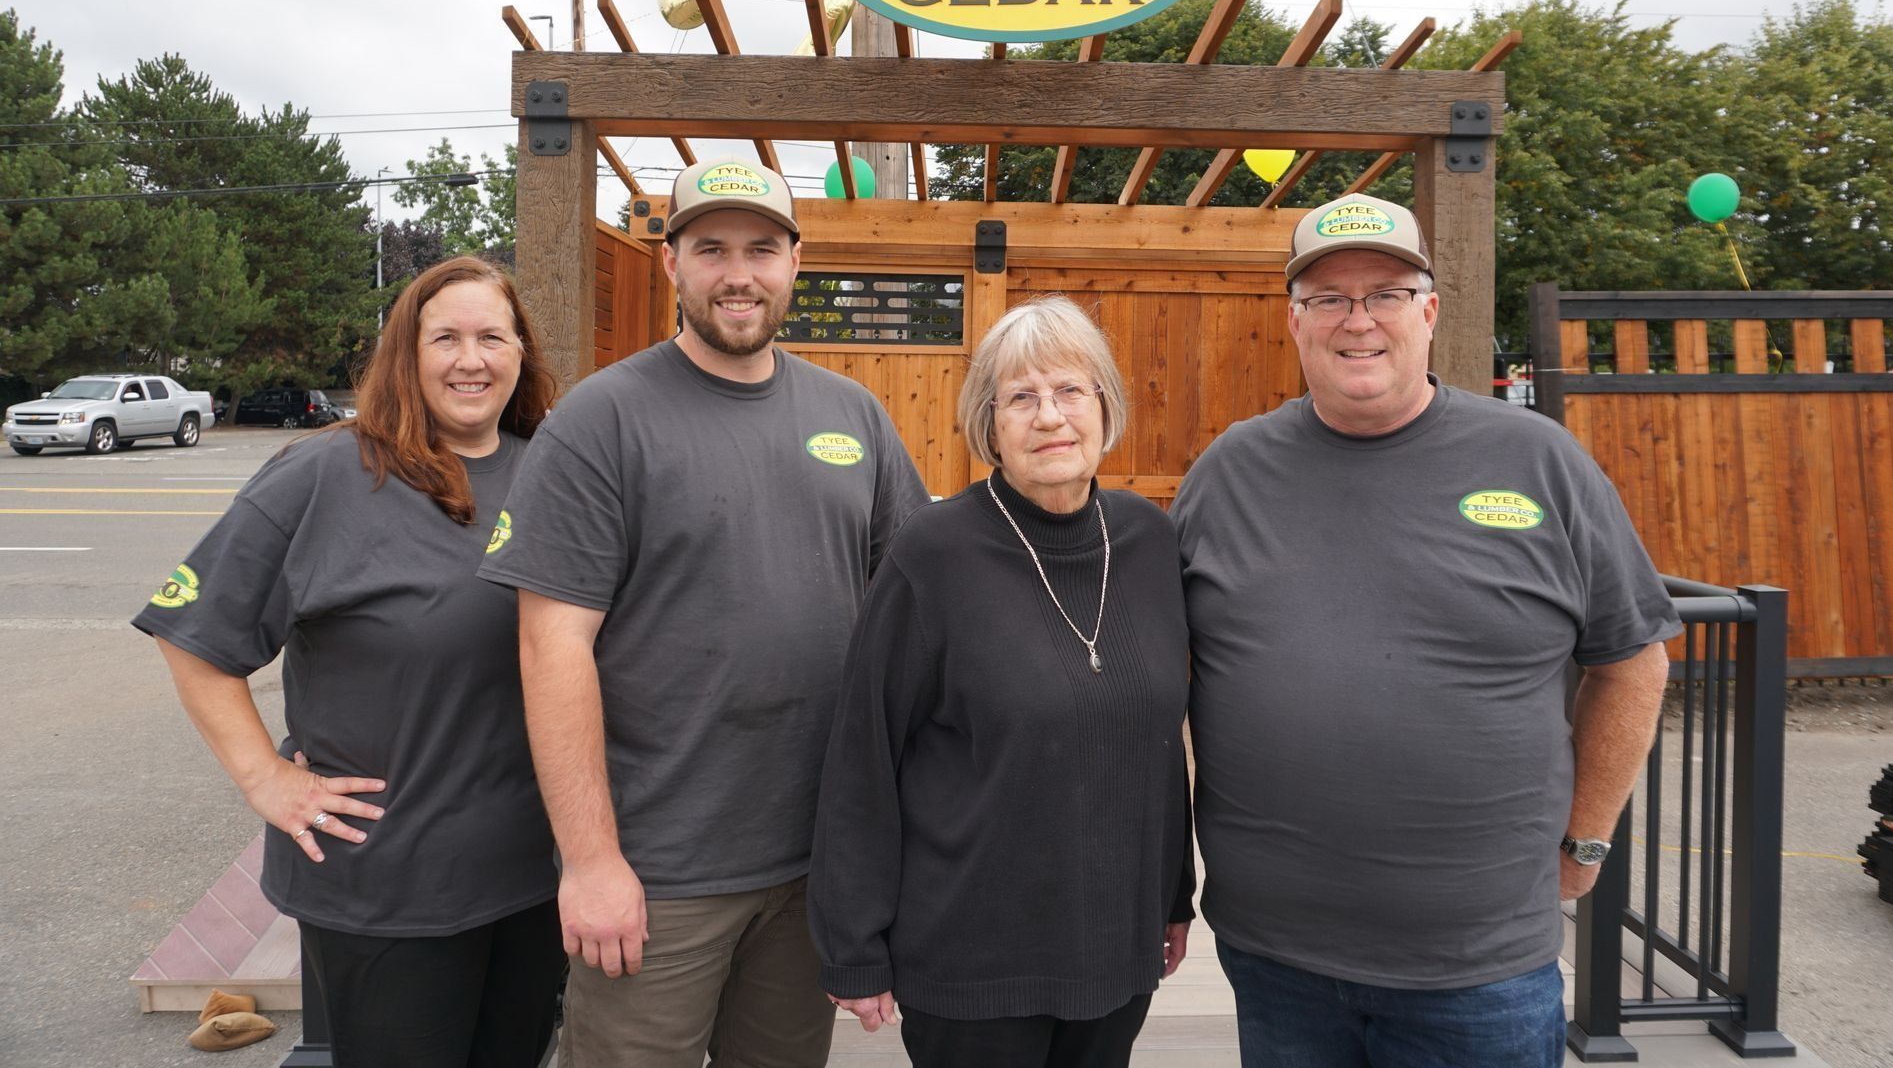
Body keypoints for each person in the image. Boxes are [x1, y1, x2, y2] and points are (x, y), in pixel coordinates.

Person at [1170, 194, 1678, 1068]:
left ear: (1430, 311)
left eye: (1386, 294)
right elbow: (1167, 674)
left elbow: (1632, 661)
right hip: (1276, 953)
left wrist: (1586, 840)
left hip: (1477, 969)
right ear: (1294, 321)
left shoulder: (1540, 463)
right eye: (1328, 298)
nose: (1357, 321)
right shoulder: (1228, 472)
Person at [477, 156, 930, 1068]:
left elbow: (917, 617)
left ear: (795, 264)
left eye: (762, 248)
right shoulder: (601, 421)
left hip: (812, 865)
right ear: (671, 265)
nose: (738, 272)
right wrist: (594, 863)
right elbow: (549, 646)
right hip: (658, 876)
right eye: (710, 247)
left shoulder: (856, 417)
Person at [135, 256, 564, 1068]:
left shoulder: (552, 471)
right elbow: (193, 634)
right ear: (407, 353)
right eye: (445, 338)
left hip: (532, 876)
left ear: (521, 354)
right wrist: (267, 778)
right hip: (386, 884)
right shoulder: (328, 472)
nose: (470, 359)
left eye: (491, 338)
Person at [809, 295, 1196, 1068]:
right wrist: (852, 940)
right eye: (1021, 397)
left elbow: (1154, 744)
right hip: (972, 957)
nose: (1049, 417)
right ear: (989, 423)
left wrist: (1172, 896)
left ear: (1105, 406)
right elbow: (864, 752)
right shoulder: (934, 554)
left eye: (1069, 392)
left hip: (1116, 948)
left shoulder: (1148, 540)